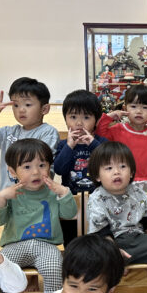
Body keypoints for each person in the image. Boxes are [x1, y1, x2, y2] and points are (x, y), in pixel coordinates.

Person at [0, 138, 78, 293]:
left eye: (42, 165)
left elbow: (69, 214)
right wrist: (1, 198)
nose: (36, 172)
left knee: (54, 267)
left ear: (49, 166)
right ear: (13, 171)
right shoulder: (10, 194)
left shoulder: (53, 191)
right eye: (27, 167)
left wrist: (64, 193)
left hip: (46, 246)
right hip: (14, 246)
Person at [87, 141, 147, 276]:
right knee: (98, 256)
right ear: (97, 176)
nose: (117, 172)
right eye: (109, 168)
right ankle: (118, 260)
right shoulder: (96, 198)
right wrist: (115, 251)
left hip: (137, 238)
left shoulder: (138, 193)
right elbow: (102, 233)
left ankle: (125, 261)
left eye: (122, 166)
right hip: (109, 241)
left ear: (131, 172)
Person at [0, 77, 59, 191]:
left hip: (34, 197)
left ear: (44, 109)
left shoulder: (48, 132)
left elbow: (44, 168)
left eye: (28, 104)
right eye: (16, 105)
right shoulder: (10, 132)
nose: (21, 110)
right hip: (7, 195)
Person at [95, 84, 147, 192]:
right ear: (125, 108)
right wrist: (109, 117)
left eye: (145, 107)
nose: (139, 111)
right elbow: (100, 135)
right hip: (123, 179)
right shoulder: (118, 129)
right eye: (133, 106)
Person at [53, 89, 107, 246]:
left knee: (98, 238)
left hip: (98, 200)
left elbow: (108, 164)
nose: (79, 123)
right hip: (71, 201)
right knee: (71, 239)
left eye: (86, 117)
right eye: (73, 117)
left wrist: (93, 144)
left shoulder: (102, 143)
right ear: (65, 119)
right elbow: (59, 169)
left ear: (97, 120)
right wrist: (69, 146)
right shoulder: (63, 145)